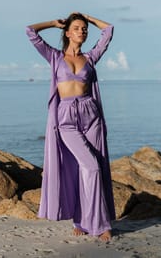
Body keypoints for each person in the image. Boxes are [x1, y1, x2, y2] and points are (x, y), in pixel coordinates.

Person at [26, 12, 116, 242]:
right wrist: (52, 23)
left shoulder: (90, 57)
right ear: (67, 32)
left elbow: (108, 30)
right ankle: (93, 223)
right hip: (66, 119)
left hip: (90, 116)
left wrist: (89, 18)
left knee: (89, 169)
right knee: (90, 167)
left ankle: (86, 222)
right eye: (77, 28)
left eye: (84, 29)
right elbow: (30, 32)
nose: (82, 32)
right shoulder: (55, 57)